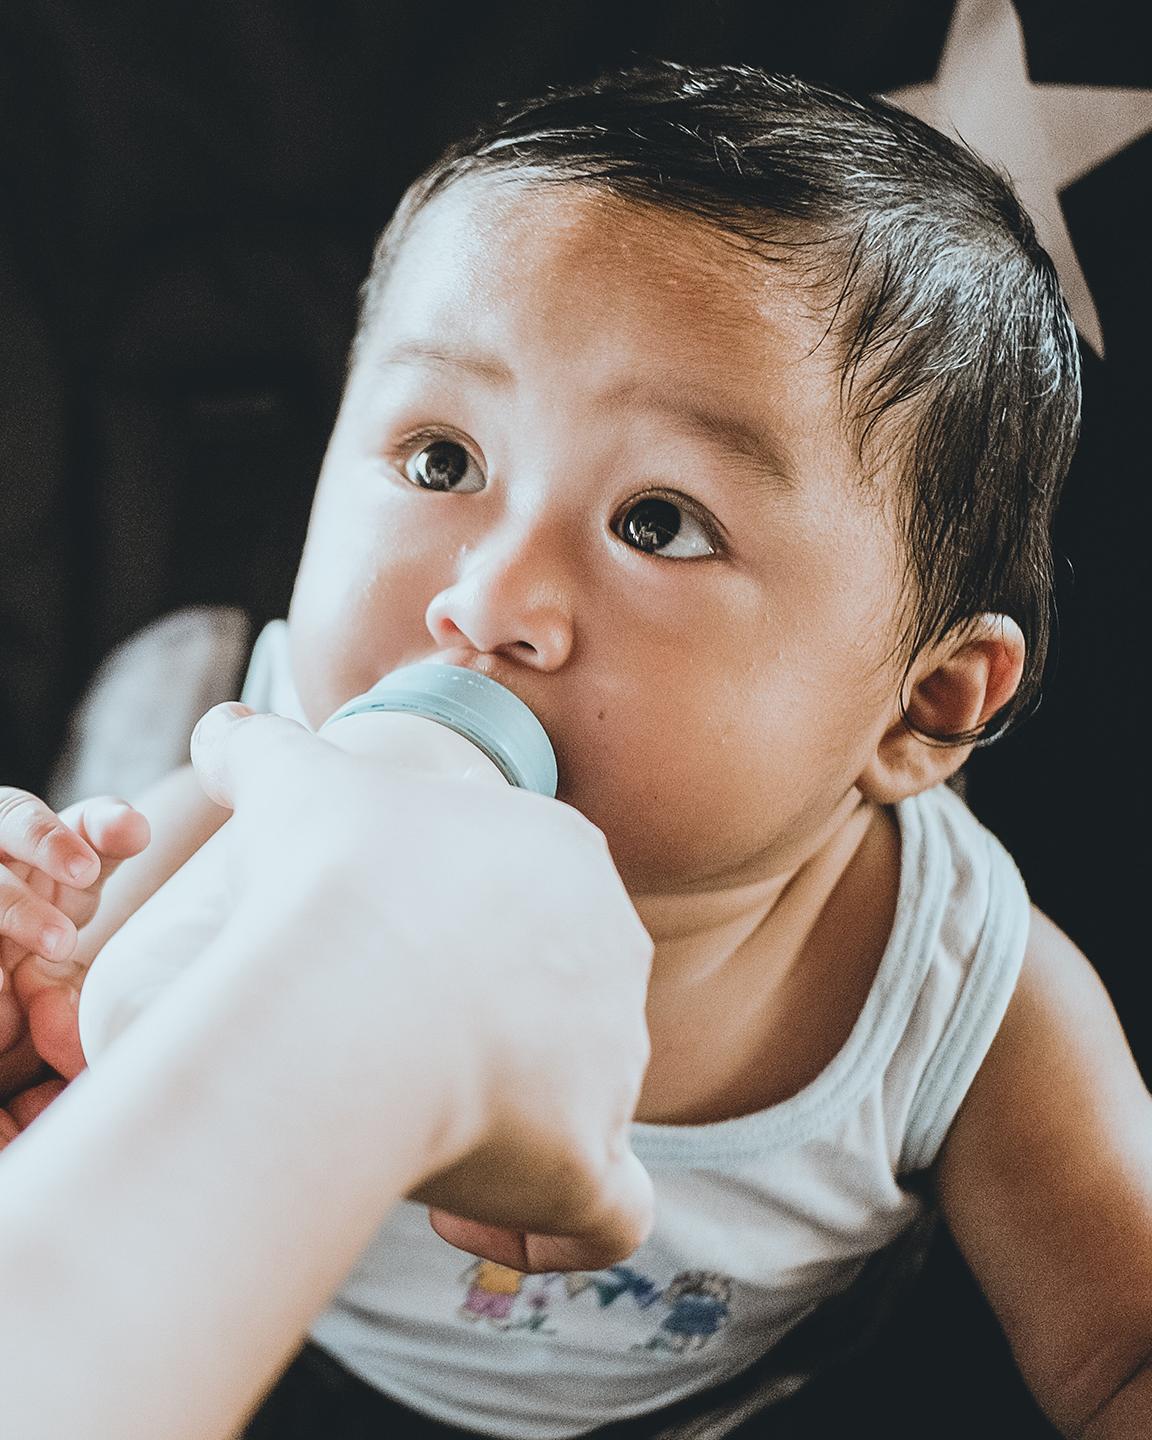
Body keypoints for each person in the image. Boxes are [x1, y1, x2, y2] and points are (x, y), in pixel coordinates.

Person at [2, 57, 1150, 1439]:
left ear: (922, 709)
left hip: (689, 1410)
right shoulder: (271, 808)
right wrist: (37, 986)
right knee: (139, 787)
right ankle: (158, 697)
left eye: (658, 521)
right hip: (257, 1356)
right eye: (439, 461)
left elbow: (1119, 1352)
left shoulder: (967, 994)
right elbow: (67, 1123)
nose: (485, 602)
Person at [0, 701, 654, 1440]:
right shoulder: (223, 833)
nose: (474, 603)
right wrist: (32, 1011)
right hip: (210, 1332)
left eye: (682, 571)